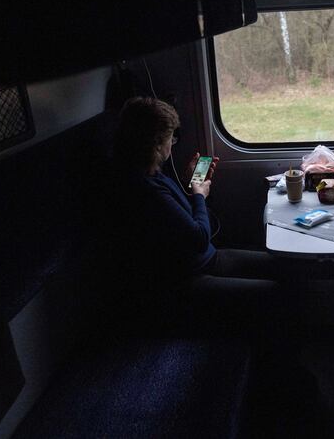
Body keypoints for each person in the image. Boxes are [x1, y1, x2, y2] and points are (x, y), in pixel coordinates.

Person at [107, 96, 284, 330]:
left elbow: (175, 218)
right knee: (276, 293)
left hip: (206, 260)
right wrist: (200, 194)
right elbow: (199, 237)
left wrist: (188, 183)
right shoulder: (145, 189)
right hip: (187, 277)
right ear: (156, 143)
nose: (174, 143)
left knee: (283, 264)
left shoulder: (151, 174)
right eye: (171, 138)